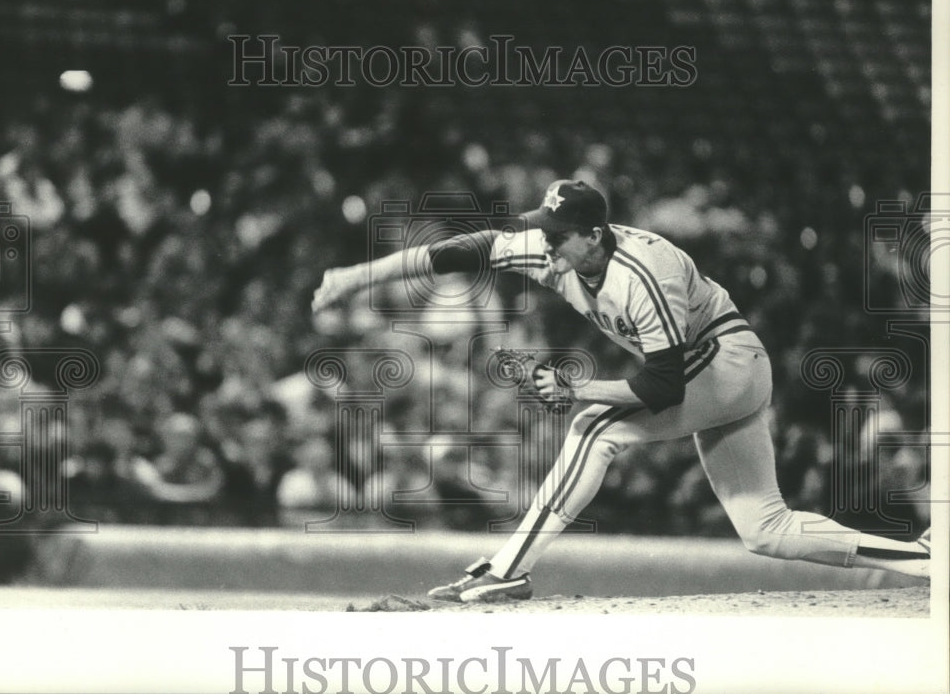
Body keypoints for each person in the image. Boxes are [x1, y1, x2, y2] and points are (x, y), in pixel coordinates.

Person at [312, 179, 931, 602]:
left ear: (593, 233)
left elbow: (660, 385)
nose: (545, 244)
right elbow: (464, 250)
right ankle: (924, 560)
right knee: (765, 528)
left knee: (595, 429)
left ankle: (508, 569)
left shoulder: (643, 274)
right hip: (706, 372)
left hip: (725, 362)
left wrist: (577, 387)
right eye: (544, 231)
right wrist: (358, 276)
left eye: (557, 235)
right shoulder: (559, 253)